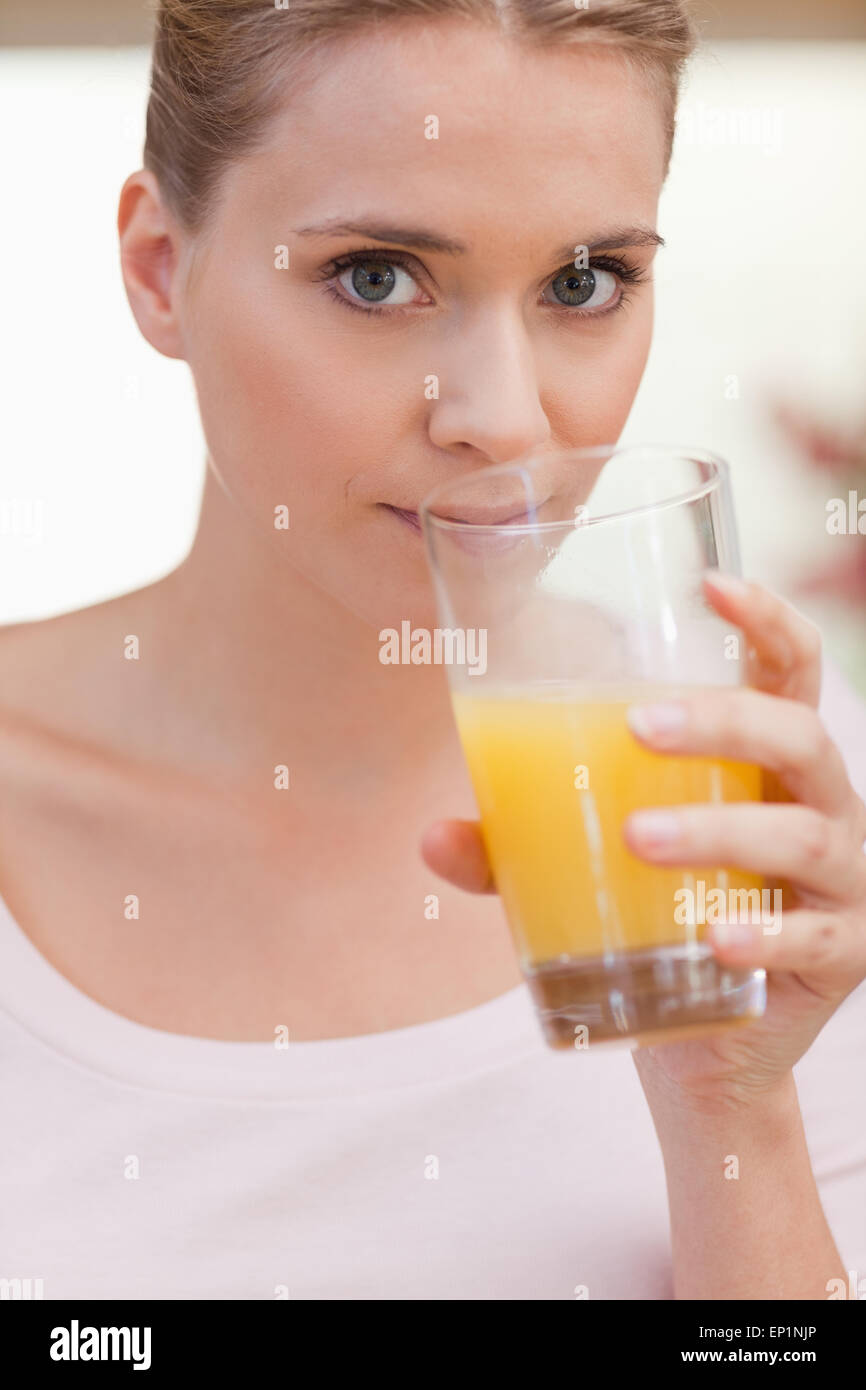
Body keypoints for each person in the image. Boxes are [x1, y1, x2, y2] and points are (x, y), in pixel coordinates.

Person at [1, 0, 864, 1302]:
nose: (502, 419)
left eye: (583, 282)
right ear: (159, 267)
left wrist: (728, 1112)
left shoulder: (754, 789)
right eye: (376, 277)